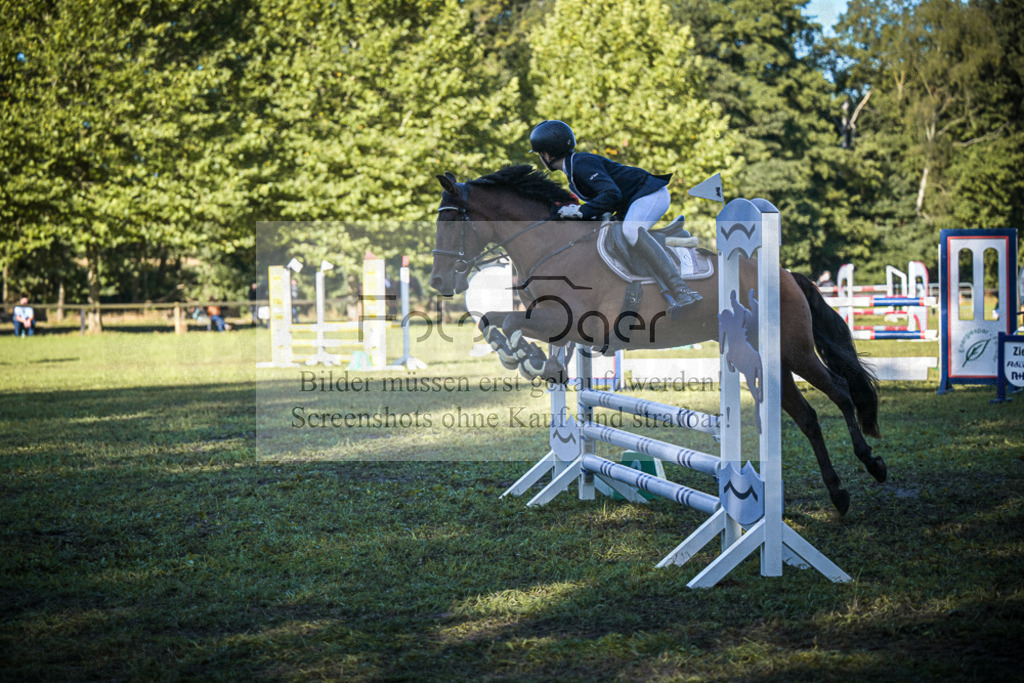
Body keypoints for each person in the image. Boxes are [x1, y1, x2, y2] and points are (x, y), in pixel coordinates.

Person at [528, 119, 701, 314]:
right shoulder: (574, 170)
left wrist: (581, 212)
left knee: (631, 230)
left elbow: (612, 194)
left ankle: (681, 289)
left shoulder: (581, 164)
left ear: (546, 154)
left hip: (651, 194)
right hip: (632, 201)